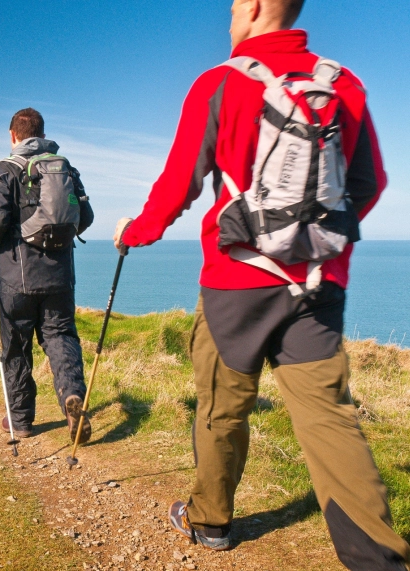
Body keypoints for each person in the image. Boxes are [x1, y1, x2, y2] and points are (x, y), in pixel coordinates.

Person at [113, 0, 410, 568]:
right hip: (319, 284)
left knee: (223, 406)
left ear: (251, 7)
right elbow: (369, 184)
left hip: (236, 281)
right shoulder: (343, 84)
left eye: (231, 7)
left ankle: (211, 521)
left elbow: (180, 183)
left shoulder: (220, 83)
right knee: (328, 418)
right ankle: (378, 558)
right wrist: (315, 244)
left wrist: (136, 233)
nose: (229, 18)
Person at [0, 107, 94, 443]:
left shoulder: (7, 170)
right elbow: (85, 217)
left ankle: (21, 420)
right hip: (60, 277)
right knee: (61, 337)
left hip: (17, 278)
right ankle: (73, 397)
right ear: (42, 134)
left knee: (16, 346)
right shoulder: (65, 168)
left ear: (13, 135)